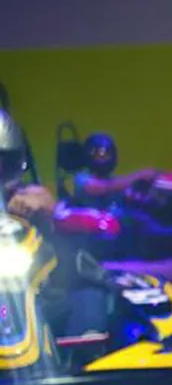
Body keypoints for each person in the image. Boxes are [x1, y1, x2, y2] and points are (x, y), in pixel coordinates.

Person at [0, 109, 109, 339]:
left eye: (2, 165)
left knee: (85, 276)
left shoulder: (30, 198)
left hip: (31, 296)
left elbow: (58, 215)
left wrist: (47, 214)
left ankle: (86, 344)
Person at [71, 132, 157, 209]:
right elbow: (99, 188)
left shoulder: (113, 180)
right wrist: (138, 176)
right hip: (91, 222)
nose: (105, 159)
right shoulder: (82, 178)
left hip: (115, 220)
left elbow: (126, 194)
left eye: (108, 155)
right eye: (101, 156)